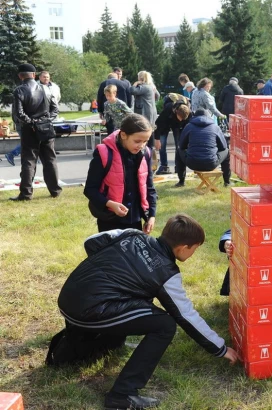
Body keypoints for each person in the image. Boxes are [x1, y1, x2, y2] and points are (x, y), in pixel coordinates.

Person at [55, 214, 240, 409]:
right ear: (183, 248)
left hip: (68, 298)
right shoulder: (167, 273)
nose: (193, 253)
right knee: (165, 325)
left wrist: (108, 271)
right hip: (87, 312)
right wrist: (220, 348)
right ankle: (121, 396)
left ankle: (101, 345)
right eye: (195, 248)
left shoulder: (133, 234)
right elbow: (186, 315)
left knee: (139, 297)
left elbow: (91, 242)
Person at [84, 113, 157, 234]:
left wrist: (151, 216)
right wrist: (110, 204)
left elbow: (149, 188)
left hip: (135, 218)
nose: (142, 145)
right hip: (109, 219)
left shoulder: (146, 153)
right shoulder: (104, 153)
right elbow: (90, 190)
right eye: (137, 141)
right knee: (111, 253)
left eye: (146, 141)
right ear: (123, 135)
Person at [9, 63, 62, 201]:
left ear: (20, 76)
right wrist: (45, 121)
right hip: (45, 128)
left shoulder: (19, 90)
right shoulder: (46, 89)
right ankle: (55, 190)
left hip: (30, 129)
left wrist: (32, 123)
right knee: (50, 159)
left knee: (29, 160)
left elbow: (18, 113)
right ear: (34, 75)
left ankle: (26, 193)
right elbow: (55, 109)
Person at [5, 71, 62, 167]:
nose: (46, 79)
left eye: (47, 77)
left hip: (42, 124)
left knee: (44, 157)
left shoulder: (53, 88)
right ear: (36, 76)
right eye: (44, 77)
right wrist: (31, 122)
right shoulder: (25, 89)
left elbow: (55, 107)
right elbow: (19, 112)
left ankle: (26, 158)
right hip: (28, 124)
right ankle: (14, 154)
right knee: (31, 151)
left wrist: (47, 120)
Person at [175, 108, 231, 187]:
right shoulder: (215, 127)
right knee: (227, 151)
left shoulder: (189, 126)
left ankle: (181, 181)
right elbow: (223, 147)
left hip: (192, 163)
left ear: (194, 116)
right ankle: (227, 181)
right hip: (211, 163)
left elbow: (182, 146)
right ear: (208, 116)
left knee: (179, 151)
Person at [154, 93, 191, 175]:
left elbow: (189, 126)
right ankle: (164, 166)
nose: (181, 120)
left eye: (183, 119)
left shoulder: (189, 113)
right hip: (165, 123)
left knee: (179, 146)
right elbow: (158, 124)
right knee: (161, 145)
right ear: (176, 112)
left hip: (177, 127)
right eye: (180, 118)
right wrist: (157, 139)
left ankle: (178, 166)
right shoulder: (168, 108)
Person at [129, 71, 159, 147]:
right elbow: (157, 96)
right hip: (151, 110)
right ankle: (151, 150)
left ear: (140, 78)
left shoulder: (144, 87)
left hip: (144, 111)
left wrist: (135, 84)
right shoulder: (152, 86)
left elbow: (132, 91)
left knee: (144, 129)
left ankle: (147, 149)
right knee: (150, 129)